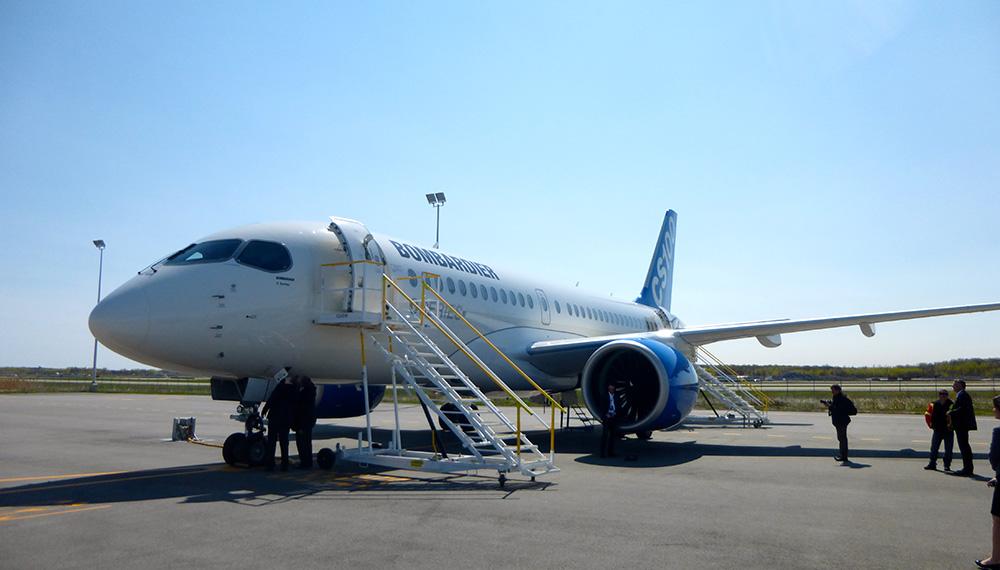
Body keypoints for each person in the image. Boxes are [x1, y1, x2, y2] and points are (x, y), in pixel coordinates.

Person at [974, 396, 1000, 569]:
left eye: (995, 407)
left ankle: (996, 558)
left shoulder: (998, 432)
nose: (993, 410)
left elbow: (995, 458)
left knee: (998, 520)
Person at [261, 377, 294, 471]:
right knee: (284, 442)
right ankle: (285, 464)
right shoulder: (293, 390)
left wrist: (265, 410)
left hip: (275, 417)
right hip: (285, 418)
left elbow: (272, 399)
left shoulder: (280, 387)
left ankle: (270, 463)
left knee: (272, 441)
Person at [949, 379, 978, 477]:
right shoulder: (961, 395)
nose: (953, 386)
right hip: (962, 425)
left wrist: (950, 413)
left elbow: (962, 409)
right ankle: (968, 468)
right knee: (964, 446)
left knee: (964, 447)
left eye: (954, 385)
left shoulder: (963, 395)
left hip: (962, 425)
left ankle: (967, 469)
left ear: (960, 386)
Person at [822, 384, 857, 463]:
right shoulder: (837, 398)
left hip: (841, 421)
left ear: (838, 390)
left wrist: (829, 406)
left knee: (842, 439)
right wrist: (830, 403)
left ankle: (844, 456)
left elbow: (837, 409)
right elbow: (836, 407)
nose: (832, 392)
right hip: (840, 421)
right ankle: (843, 455)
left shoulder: (841, 399)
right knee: (841, 438)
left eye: (833, 390)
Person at [924, 389, 954, 471]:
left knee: (948, 449)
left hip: (948, 430)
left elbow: (955, 416)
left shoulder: (951, 404)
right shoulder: (933, 404)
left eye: (945, 394)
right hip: (937, 429)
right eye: (941, 394)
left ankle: (947, 465)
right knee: (934, 448)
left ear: (947, 395)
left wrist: (952, 426)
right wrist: (931, 425)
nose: (943, 395)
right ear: (939, 395)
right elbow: (927, 414)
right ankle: (932, 463)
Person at [291, 375, 317, 469]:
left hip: (303, 423)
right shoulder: (310, 391)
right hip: (307, 421)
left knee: (302, 443)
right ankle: (307, 462)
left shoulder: (305, 393)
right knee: (306, 443)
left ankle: (305, 463)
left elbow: (301, 408)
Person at [599, 383, 619, 458]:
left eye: (612, 386)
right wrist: (605, 415)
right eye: (610, 386)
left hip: (614, 417)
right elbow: (601, 407)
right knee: (605, 435)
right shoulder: (604, 396)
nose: (611, 388)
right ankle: (602, 453)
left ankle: (611, 452)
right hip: (607, 418)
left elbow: (618, 406)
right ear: (608, 387)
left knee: (612, 436)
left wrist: (616, 413)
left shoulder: (616, 397)